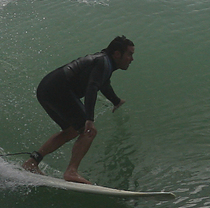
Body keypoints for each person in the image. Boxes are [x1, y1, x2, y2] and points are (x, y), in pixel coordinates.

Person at [22, 36, 135, 184]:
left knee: (71, 131)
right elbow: (92, 87)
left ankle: (32, 162)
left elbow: (104, 85)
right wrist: (89, 119)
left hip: (46, 89)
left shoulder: (104, 63)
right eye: (129, 54)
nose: (131, 59)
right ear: (117, 54)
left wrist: (116, 101)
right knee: (88, 131)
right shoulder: (103, 62)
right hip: (58, 89)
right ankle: (71, 172)